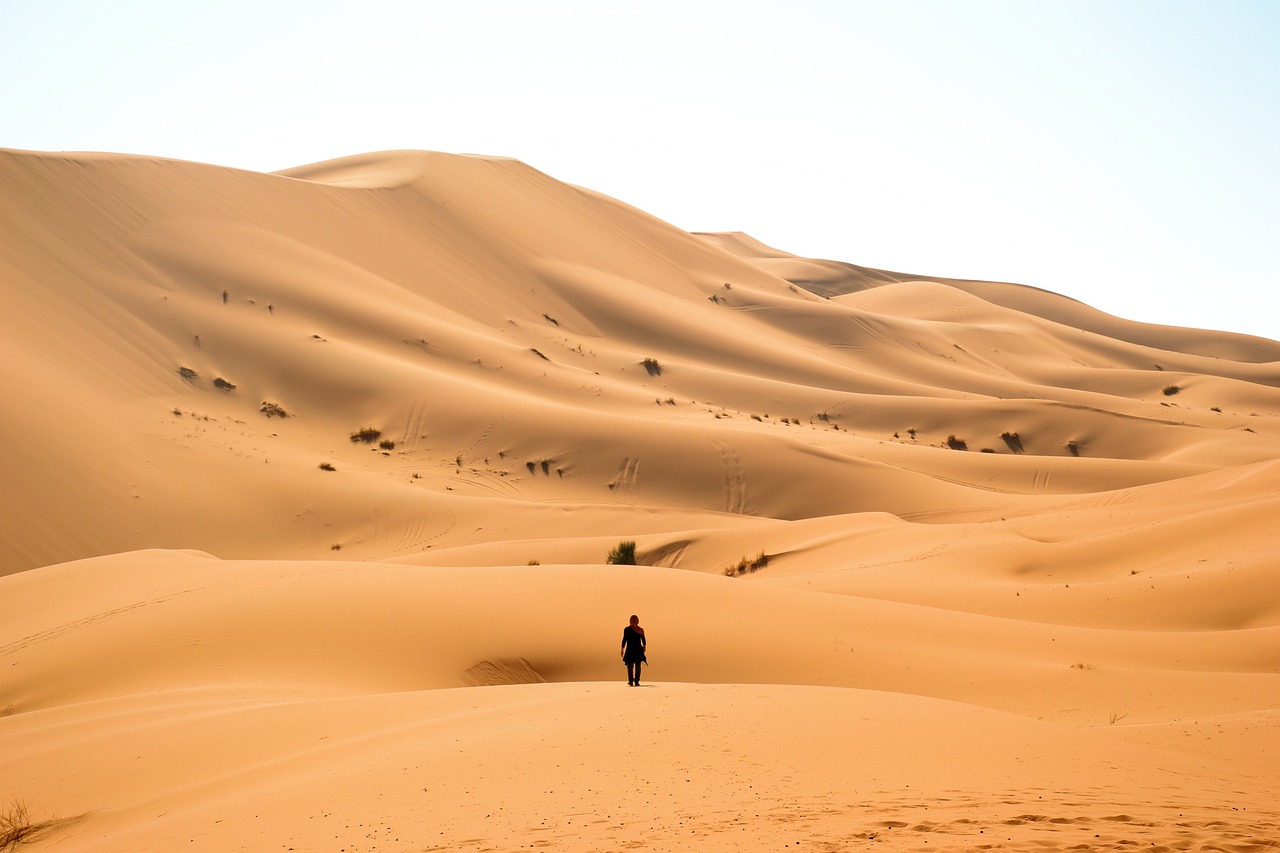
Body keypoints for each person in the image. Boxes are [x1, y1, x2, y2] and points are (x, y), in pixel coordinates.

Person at [620, 614, 647, 686]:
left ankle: (631, 681)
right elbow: (644, 641)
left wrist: (622, 649)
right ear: (637, 621)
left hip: (630, 650)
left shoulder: (627, 629)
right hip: (638, 650)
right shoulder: (640, 630)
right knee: (638, 666)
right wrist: (644, 647)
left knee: (630, 666)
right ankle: (637, 681)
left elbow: (624, 640)